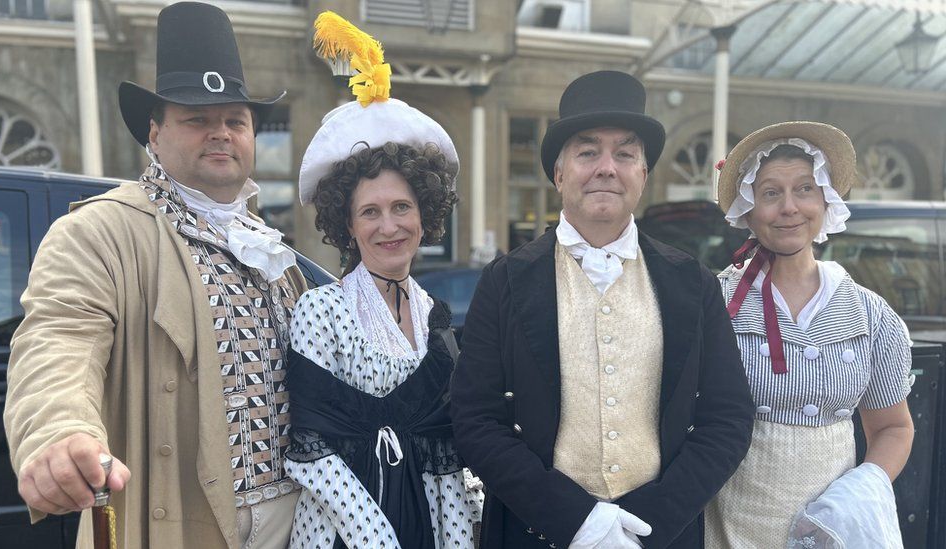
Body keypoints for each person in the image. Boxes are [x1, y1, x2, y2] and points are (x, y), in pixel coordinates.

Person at [3, 3, 305, 547]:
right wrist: (58, 430)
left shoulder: (270, 247)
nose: (221, 134)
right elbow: (58, 338)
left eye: (235, 121)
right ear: (155, 134)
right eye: (196, 119)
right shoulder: (99, 233)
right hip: (188, 522)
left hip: (293, 519)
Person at [450, 70, 755, 549]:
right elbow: (474, 418)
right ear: (559, 172)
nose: (606, 167)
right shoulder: (506, 280)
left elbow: (728, 417)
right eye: (588, 151)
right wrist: (575, 520)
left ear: (643, 174)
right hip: (537, 533)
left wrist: (650, 521)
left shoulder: (692, 282)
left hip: (659, 536)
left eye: (625, 153)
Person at [281, 12, 481, 549]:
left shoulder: (435, 314)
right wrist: (377, 538)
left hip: (427, 519)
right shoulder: (319, 311)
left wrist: (460, 534)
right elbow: (311, 447)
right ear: (347, 225)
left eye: (401, 207)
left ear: (426, 215)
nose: (388, 226)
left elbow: (443, 446)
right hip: (346, 528)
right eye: (369, 212)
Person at [705, 121, 914, 548]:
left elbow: (893, 427)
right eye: (770, 193)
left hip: (831, 527)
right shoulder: (714, 304)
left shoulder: (869, 314)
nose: (789, 207)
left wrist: (858, 494)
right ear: (747, 209)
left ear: (825, 201)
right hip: (731, 524)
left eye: (804, 189)